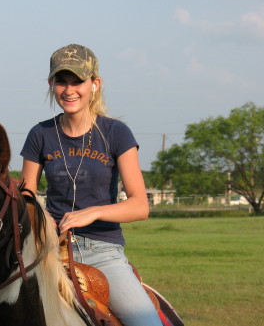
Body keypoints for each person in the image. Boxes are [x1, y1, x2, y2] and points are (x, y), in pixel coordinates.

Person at [20, 44, 163, 326]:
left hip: (102, 251)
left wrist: (94, 212)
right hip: (48, 250)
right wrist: (45, 223)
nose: (69, 89)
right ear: (51, 84)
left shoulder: (116, 133)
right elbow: (26, 198)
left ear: (94, 84)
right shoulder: (40, 134)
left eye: (78, 81)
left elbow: (139, 205)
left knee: (147, 322)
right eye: (62, 81)